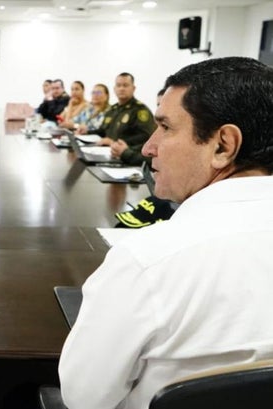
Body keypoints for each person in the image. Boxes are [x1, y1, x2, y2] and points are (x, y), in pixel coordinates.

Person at [59, 57, 273, 409]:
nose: (148, 147)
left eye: (166, 127)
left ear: (223, 145)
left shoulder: (148, 261)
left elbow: (83, 397)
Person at [94, 72, 156, 165]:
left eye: (125, 85)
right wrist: (86, 132)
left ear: (133, 88)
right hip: (107, 154)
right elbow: (102, 130)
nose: (121, 88)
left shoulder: (140, 110)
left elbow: (145, 136)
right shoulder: (113, 109)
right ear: (114, 89)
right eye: (118, 85)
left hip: (127, 158)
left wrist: (114, 143)